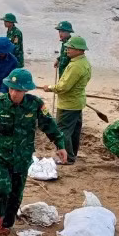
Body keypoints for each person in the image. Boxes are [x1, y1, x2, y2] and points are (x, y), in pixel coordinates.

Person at [0, 69, 67, 236]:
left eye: (19, 90)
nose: (14, 93)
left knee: (16, 192)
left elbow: (48, 125)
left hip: (23, 155)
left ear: (26, 90)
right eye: (12, 89)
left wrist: (60, 145)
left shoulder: (35, 104)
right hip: (1, 153)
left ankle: (7, 222)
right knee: (4, 187)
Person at [42, 36, 91, 165]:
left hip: (68, 104)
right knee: (74, 131)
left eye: (70, 48)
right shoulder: (84, 62)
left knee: (62, 131)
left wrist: (50, 88)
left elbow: (64, 87)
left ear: (79, 50)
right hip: (77, 102)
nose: (67, 50)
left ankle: (67, 157)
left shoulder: (76, 66)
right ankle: (72, 154)